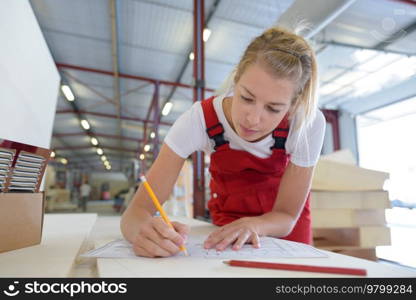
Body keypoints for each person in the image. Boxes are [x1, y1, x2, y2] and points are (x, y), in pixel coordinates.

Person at [121, 26, 326, 258]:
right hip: (226, 233)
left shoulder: (307, 122)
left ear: (294, 104)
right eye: (246, 98)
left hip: (283, 233)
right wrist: (144, 232)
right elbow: (136, 211)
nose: (253, 119)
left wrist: (254, 225)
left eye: (273, 108)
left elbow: (287, 216)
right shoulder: (198, 120)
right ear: (236, 78)